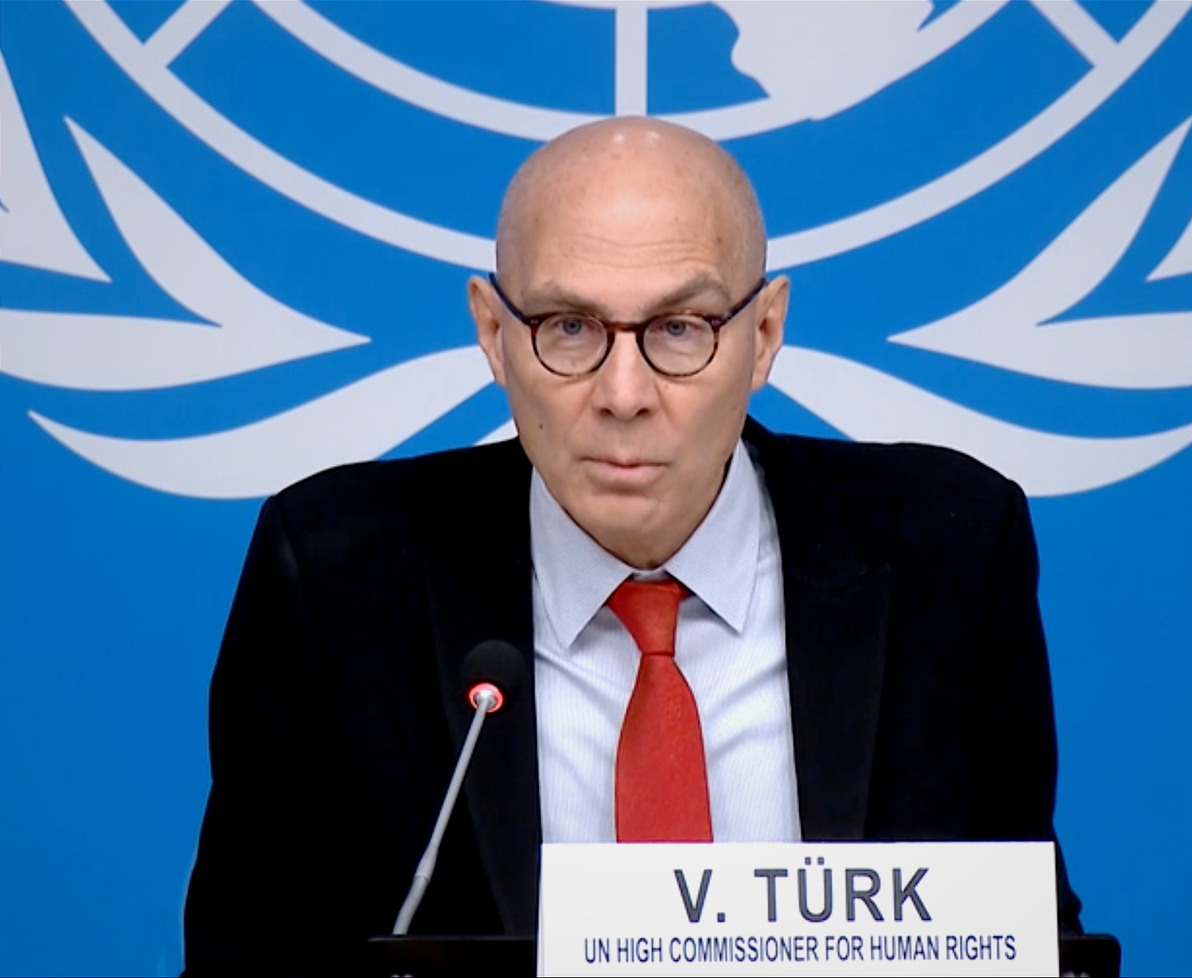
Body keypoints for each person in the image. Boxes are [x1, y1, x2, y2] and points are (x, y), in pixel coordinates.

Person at [182, 118, 1080, 974]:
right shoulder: (337, 583)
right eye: (569, 329)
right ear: (495, 337)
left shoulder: (946, 556)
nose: (623, 392)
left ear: (763, 335)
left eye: (679, 330)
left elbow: (1026, 939)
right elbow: (250, 963)